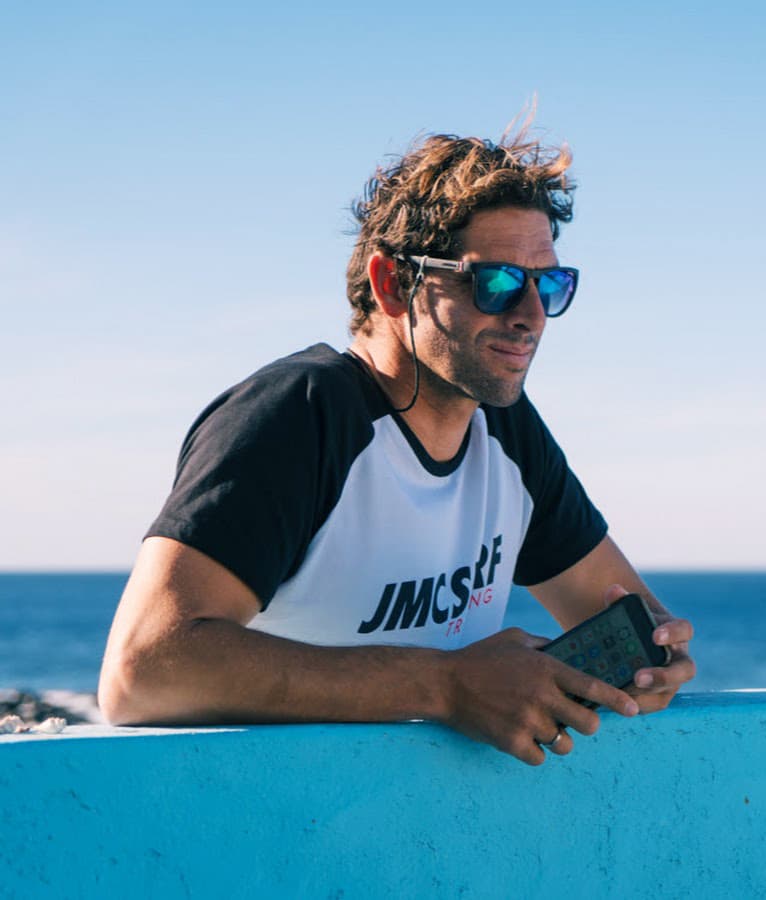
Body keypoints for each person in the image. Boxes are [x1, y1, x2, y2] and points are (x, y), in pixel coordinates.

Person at [98, 124, 695, 765]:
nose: (530, 315)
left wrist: (656, 658)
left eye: (549, 285)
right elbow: (143, 669)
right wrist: (445, 685)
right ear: (391, 284)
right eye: (495, 283)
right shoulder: (298, 415)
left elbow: (624, 615)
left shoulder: (505, 431)